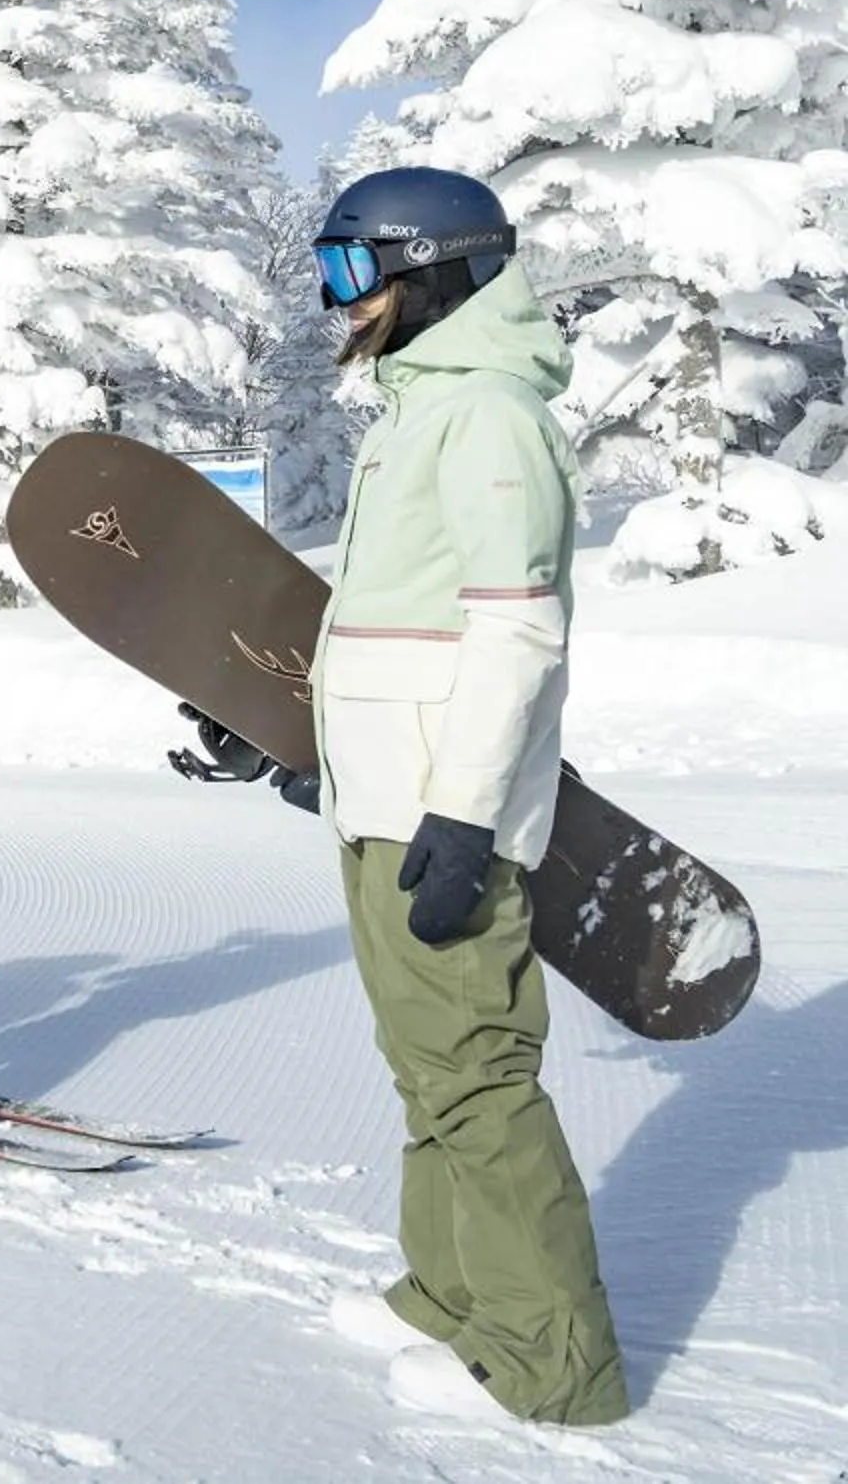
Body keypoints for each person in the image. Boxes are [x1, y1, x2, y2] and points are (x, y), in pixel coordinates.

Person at [295, 166, 627, 1428]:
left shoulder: (485, 412)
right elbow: (399, 629)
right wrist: (321, 755)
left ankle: (555, 1365)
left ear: (428, 268)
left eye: (349, 272)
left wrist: (465, 815)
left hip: (445, 811)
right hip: (389, 795)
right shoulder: (420, 407)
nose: (344, 303)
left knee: (478, 1075)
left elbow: (515, 633)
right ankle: (450, 1294)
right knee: (427, 1065)